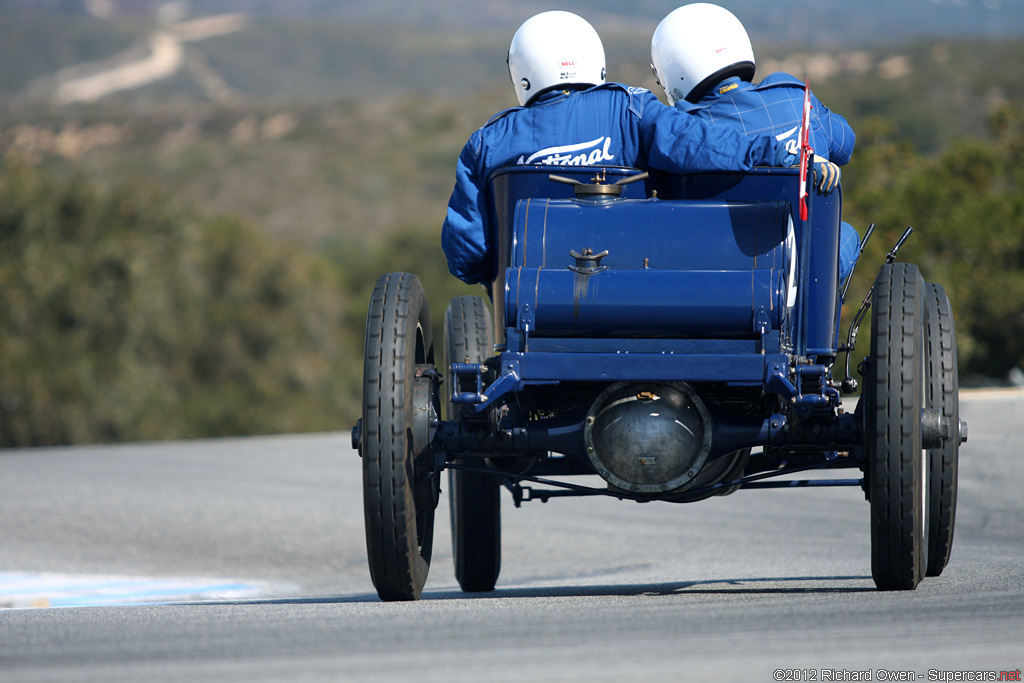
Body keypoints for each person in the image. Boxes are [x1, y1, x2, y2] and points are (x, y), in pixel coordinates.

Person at [441, 10, 798, 286]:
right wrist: (770, 153)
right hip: (635, 302)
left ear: (522, 72)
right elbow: (697, 145)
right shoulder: (631, 108)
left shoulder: (487, 141)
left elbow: (468, 255)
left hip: (528, 317)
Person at [650, 2, 861, 284]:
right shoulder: (793, 97)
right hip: (796, 275)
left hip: (708, 278)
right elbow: (845, 145)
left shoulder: (679, 132)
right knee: (846, 234)